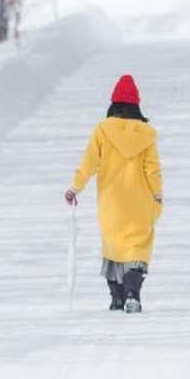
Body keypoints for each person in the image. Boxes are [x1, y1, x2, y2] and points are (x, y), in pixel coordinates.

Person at [65, 74, 163, 313]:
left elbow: (88, 163)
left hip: (111, 200)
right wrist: (157, 196)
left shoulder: (102, 130)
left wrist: (74, 188)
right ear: (136, 106)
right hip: (139, 201)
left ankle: (117, 297)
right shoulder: (146, 135)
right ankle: (132, 292)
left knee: (114, 246)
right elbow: (152, 170)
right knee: (137, 246)